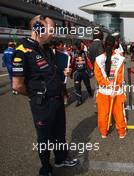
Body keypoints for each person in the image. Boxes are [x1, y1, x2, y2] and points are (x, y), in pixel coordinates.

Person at [12, 15, 78, 176]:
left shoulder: (47, 49)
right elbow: (17, 85)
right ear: (38, 28)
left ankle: (61, 158)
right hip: (42, 104)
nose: (53, 34)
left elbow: (52, 73)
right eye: (51, 30)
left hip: (57, 101)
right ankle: (45, 168)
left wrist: (64, 72)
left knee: (60, 134)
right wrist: (36, 96)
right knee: (44, 139)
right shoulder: (22, 50)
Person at [94, 35, 127, 139]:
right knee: (119, 113)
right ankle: (121, 133)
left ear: (104, 45)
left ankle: (104, 132)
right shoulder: (120, 59)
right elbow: (120, 78)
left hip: (103, 91)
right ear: (115, 45)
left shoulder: (98, 59)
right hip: (116, 92)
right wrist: (114, 87)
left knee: (103, 114)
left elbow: (98, 78)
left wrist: (107, 85)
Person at [70, 41, 93, 107]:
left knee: (87, 84)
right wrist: (71, 73)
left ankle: (90, 93)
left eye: (82, 46)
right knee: (77, 87)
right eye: (80, 46)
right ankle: (79, 100)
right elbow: (72, 63)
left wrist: (91, 69)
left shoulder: (85, 53)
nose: (81, 47)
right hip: (77, 72)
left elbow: (88, 61)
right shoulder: (74, 54)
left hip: (84, 72)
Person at [54, 40, 70, 105]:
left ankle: (66, 98)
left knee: (63, 86)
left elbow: (67, 64)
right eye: (62, 45)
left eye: (63, 45)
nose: (63, 47)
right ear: (57, 47)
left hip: (63, 73)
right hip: (56, 73)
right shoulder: (53, 54)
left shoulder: (65, 54)